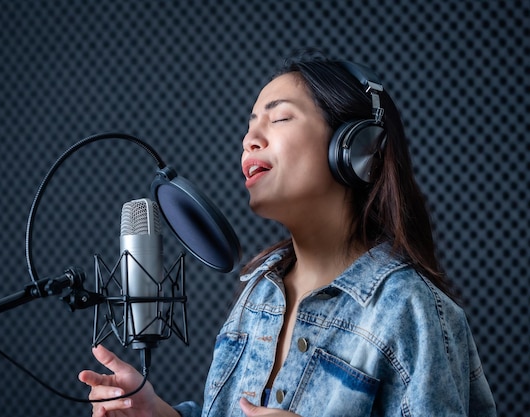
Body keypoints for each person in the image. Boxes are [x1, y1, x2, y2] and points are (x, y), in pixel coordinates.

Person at [78, 50, 496, 416]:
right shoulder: (257, 294)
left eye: (278, 118)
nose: (249, 140)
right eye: (249, 125)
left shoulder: (411, 310)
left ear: (356, 148)